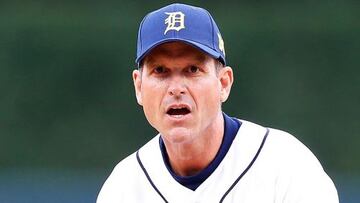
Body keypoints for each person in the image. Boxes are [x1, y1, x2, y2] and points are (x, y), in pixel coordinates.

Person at [97, 3, 338, 203]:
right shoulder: (124, 188)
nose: (176, 88)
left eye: (193, 69)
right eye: (160, 71)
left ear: (223, 83)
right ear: (139, 87)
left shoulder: (285, 165)